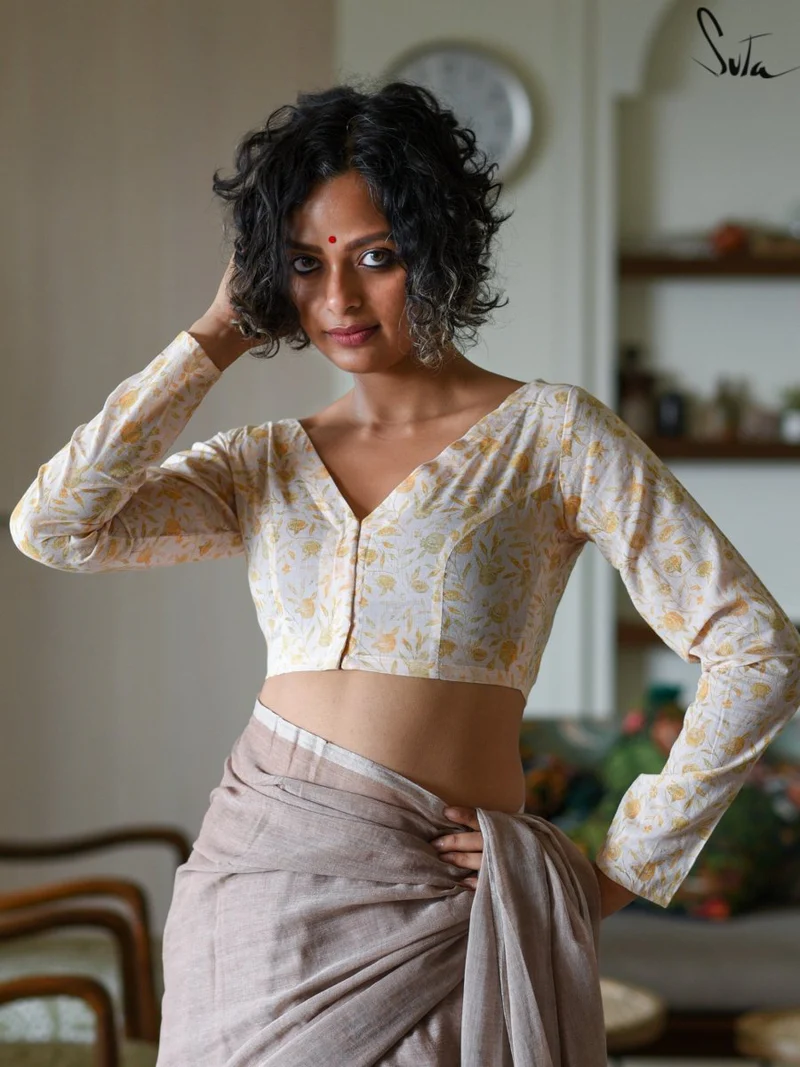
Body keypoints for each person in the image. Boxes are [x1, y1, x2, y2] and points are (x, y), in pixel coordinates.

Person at [10, 79, 800, 1066]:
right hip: (254, 901)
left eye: (376, 257)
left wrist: (617, 868)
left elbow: (756, 648)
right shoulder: (263, 462)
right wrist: (212, 338)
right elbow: (57, 527)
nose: (338, 299)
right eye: (305, 263)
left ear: (437, 250)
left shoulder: (551, 435)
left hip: (445, 909)